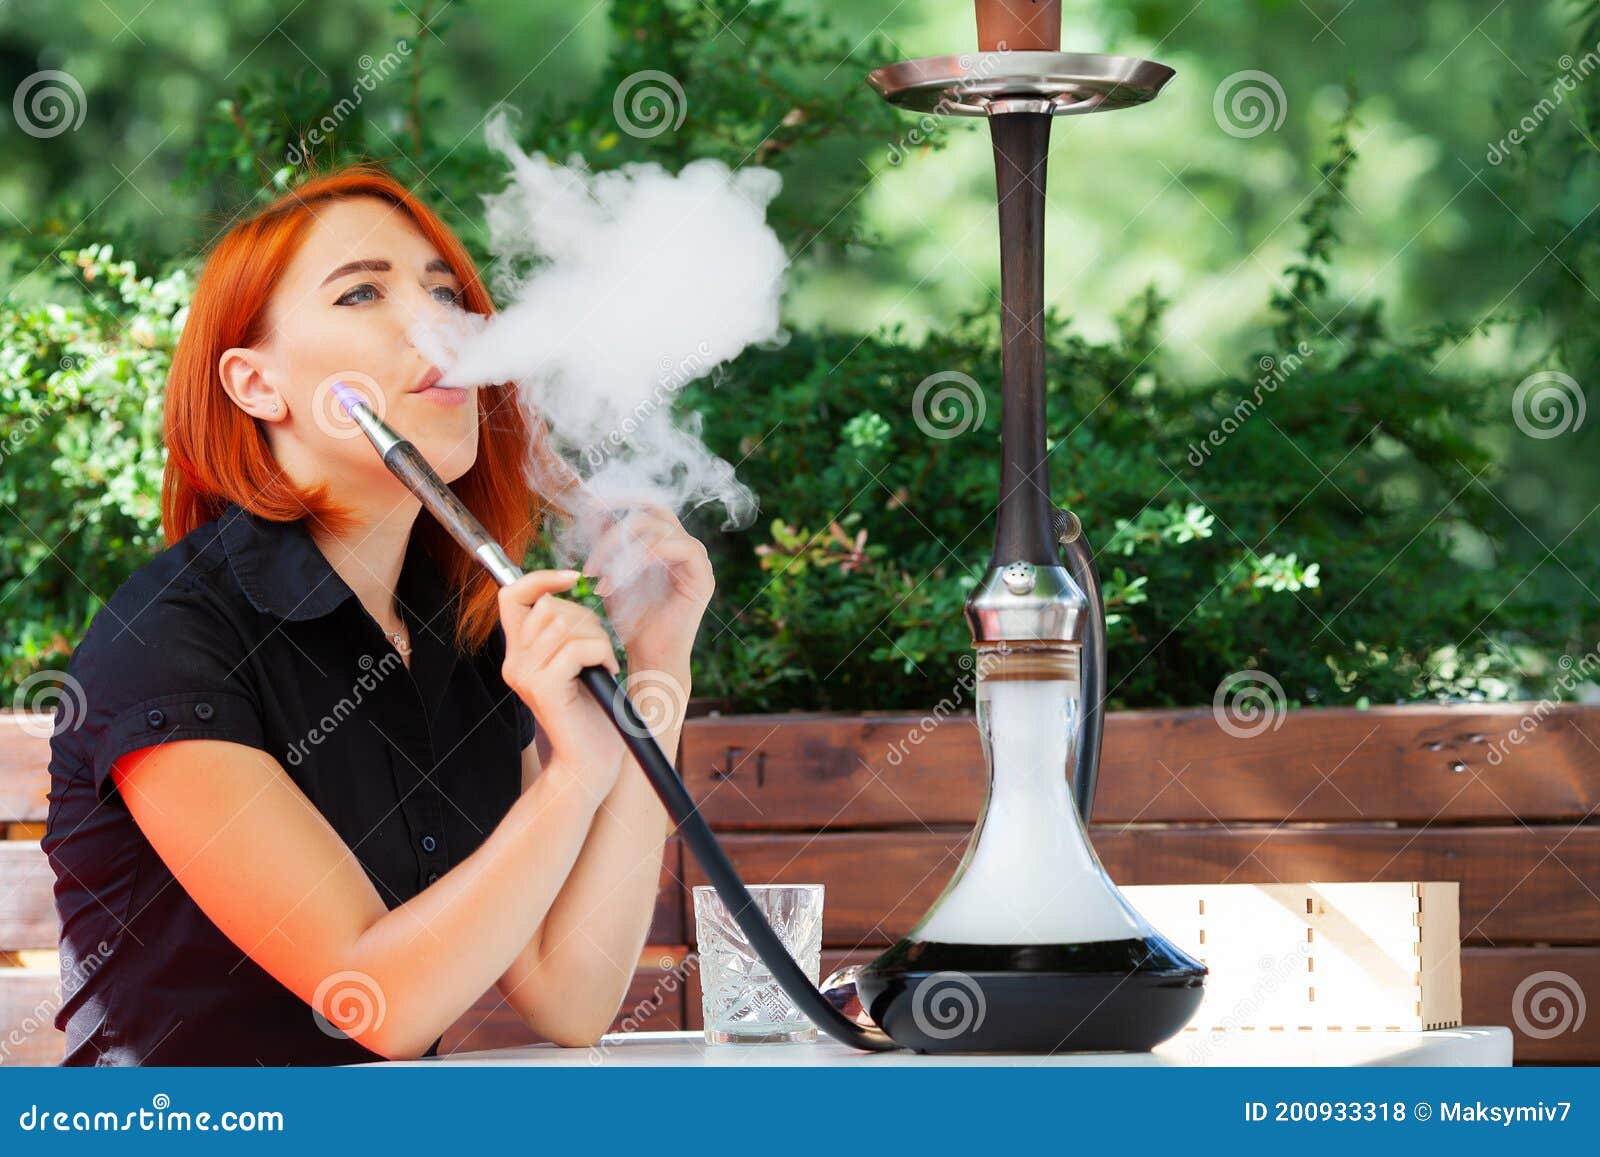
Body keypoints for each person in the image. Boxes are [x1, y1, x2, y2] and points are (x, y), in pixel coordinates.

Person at [41, 165, 713, 1065]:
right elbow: (379, 1003)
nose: (437, 322)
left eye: (445, 292)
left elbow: (572, 992)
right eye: (361, 291)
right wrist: (569, 779)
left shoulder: (463, 632)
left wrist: (661, 663)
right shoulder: (168, 637)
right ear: (256, 384)